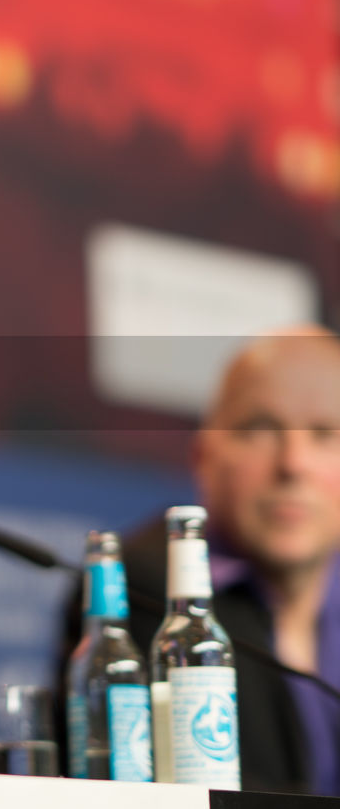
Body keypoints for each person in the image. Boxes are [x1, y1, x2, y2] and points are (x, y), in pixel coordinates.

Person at [60, 326, 340, 794]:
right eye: (261, 429)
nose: (293, 464)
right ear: (203, 457)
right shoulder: (144, 592)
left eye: (324, 434)